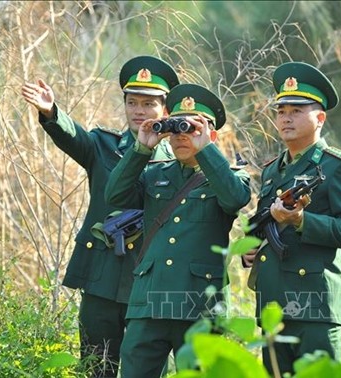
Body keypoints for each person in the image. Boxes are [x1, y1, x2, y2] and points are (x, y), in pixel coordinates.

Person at [21, 56, 179, 377]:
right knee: (95, 368)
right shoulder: (103, 146)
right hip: (102, 281)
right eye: (132, 102)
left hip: (149, 285)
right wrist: (51, 112)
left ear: (165, 110)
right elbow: (72, 136)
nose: (138, 110)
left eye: (148, 104)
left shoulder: (178, 159)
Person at [104, 83, 251, 377]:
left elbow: (235, 198)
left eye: (193, 127)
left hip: (199, 307)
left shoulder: (229, 177)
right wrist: (141, 148)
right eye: (177, 127)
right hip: (149, 303)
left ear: (212, 134)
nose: (183, 135)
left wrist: (206, 150)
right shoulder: (155, 172)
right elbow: (115, 196)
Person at [242, 62, 341, 375]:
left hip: (314, 307)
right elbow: (262, 223)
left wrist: (301, 221)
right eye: (281, 110)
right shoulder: (273, 170)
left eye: (297, 110)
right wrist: (252, 248)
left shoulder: (340, 166)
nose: (286, 117)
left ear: (320, 118)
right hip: (272, 305)